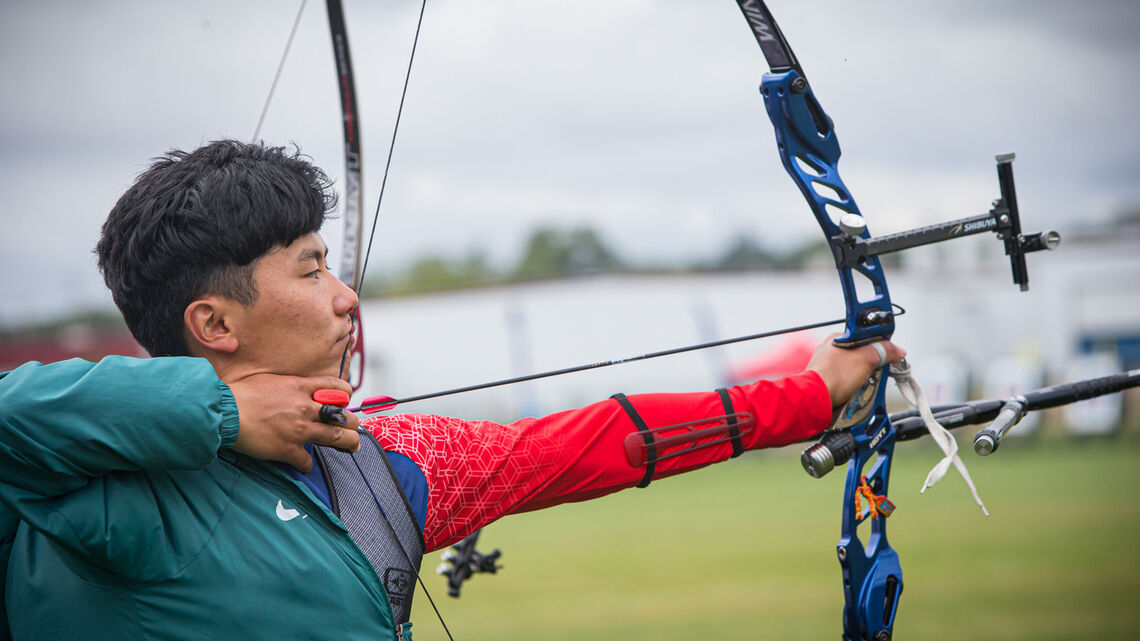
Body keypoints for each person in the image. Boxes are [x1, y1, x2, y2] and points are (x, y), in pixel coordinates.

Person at [0, 140, 904, 641]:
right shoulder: (84, 493)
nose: (347, 296)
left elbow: (586, 444)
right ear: (215, 324)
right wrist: (225, 413)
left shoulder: (381, 464)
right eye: (313, 271)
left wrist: (808, 397)